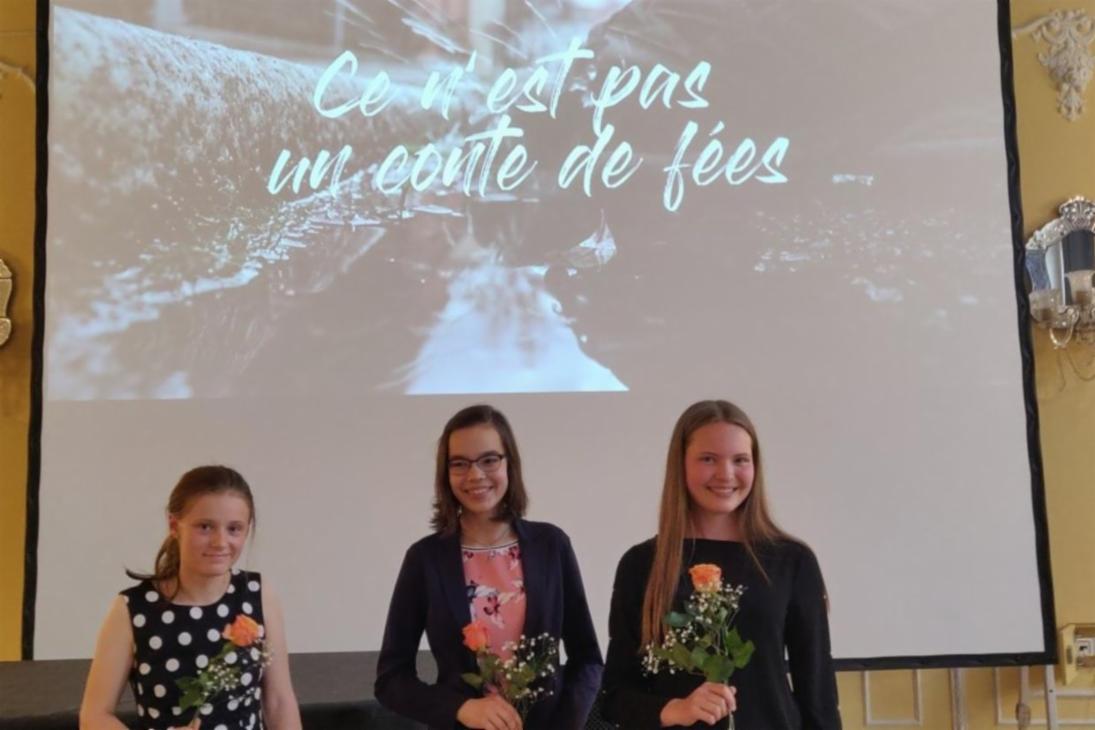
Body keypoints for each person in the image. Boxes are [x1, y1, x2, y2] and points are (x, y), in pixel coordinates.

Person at [602, 400, 841, 729]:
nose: (726, 474)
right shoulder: (641, 564)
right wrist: (677, 709)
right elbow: (615, 697)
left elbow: (818, 694)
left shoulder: (792, 560)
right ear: (681, 465)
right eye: (708, 459)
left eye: (740, 460)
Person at [375, 405, 603, 730]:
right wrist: (461, 707)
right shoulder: (424, 560)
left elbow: (588, 661)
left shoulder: (552, 545)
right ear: (445, 473)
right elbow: (391, 680)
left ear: (509, 463)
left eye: (489, 460)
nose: (475, 475)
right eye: (460, 464)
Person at [80, 465, 302, 730]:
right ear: (174, 525)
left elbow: (279, 701)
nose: (220, 542)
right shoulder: (132, 609)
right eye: (205, 527)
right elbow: (94, 716)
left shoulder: (258, 593)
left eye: (234, 529)